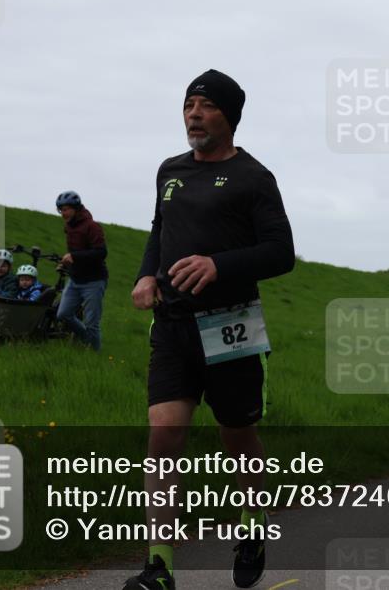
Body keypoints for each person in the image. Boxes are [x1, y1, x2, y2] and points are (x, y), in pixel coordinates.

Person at [126, 70, 294, 590]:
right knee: (163, 435)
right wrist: (146, 273)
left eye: (204, 105)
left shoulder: (254, 177)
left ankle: (251, 525)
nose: (193, 113)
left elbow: (280, 253)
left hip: (231, 325)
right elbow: (160, 229)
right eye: (188, 105)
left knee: (237, 436)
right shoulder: (169, 171)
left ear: (229, 115)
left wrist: (219, 265)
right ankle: (159, 566)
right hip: (172, 324)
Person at [55, 190, 108, 350]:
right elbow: (76, 253)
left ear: (76, 208)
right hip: (75, 279)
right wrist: (66, 264)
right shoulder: (69, 227)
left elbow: (101, 252)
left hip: (94, 281)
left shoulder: (92, 226)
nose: (63, 213)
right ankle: (87, 338)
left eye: (66, 209)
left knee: (92, 322)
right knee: (63, 314)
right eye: (60, 210)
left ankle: (95, 355)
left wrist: (74, 257)